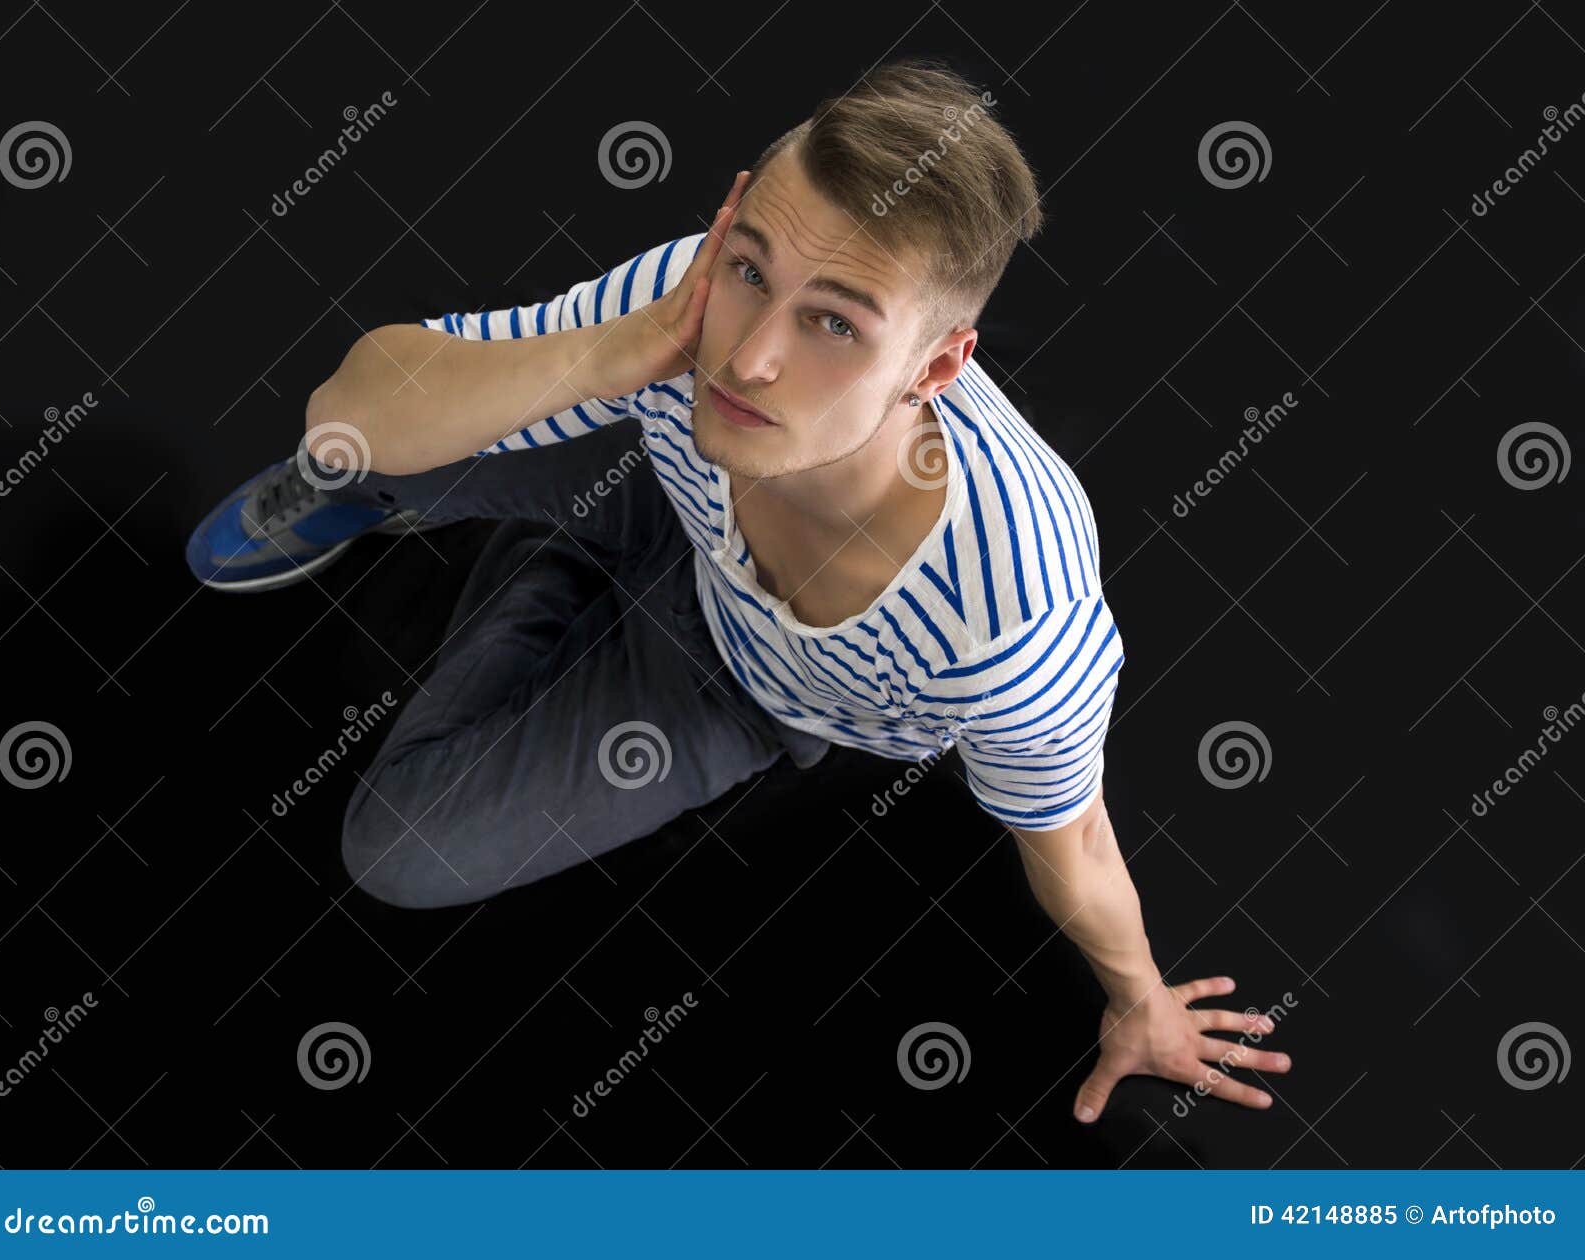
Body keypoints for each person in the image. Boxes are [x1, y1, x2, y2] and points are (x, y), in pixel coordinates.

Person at [185, 58, 1289, 1122]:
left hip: (736, 687)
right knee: (374, 438)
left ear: (937, 369)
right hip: (656, 492)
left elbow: (1079, 840)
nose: (746, 357)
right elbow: (350, 398)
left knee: (399, 853)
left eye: (834, 324)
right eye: (750, 268)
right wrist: (606, 357)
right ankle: (413, 501)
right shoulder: (684, 303)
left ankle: (545, 553)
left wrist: (1139, 1000)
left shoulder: (1010, 627)